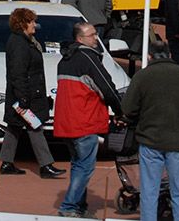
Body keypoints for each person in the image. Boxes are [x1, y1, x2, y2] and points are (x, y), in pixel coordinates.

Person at [123, 40, 179, 221]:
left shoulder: (143, 76)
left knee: (149, 192)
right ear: (170, 54)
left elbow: (128, 108)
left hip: (150, 140)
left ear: (149, 57)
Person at [55, 22, 124, 218]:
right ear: (80, 39)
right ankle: (69, 206)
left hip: (67, 121)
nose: (96, 38)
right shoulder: (88, 58)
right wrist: (120, 111)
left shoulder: (65, 60)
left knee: (78, 165)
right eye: (92, 35)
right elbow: (107, 87)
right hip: (84, 120)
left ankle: (79, 206)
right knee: (85, 166)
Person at [0, 8, 64, 178]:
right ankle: (46, 165)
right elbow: (18, 73)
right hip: (25, 96)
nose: (35, 24)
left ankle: (6, 162)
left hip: (23, 95)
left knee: (14, 127)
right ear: (23, 23)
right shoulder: (20, 44)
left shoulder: (24, 41)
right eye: (32, 21)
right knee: (35, 127)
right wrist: (24, 98)